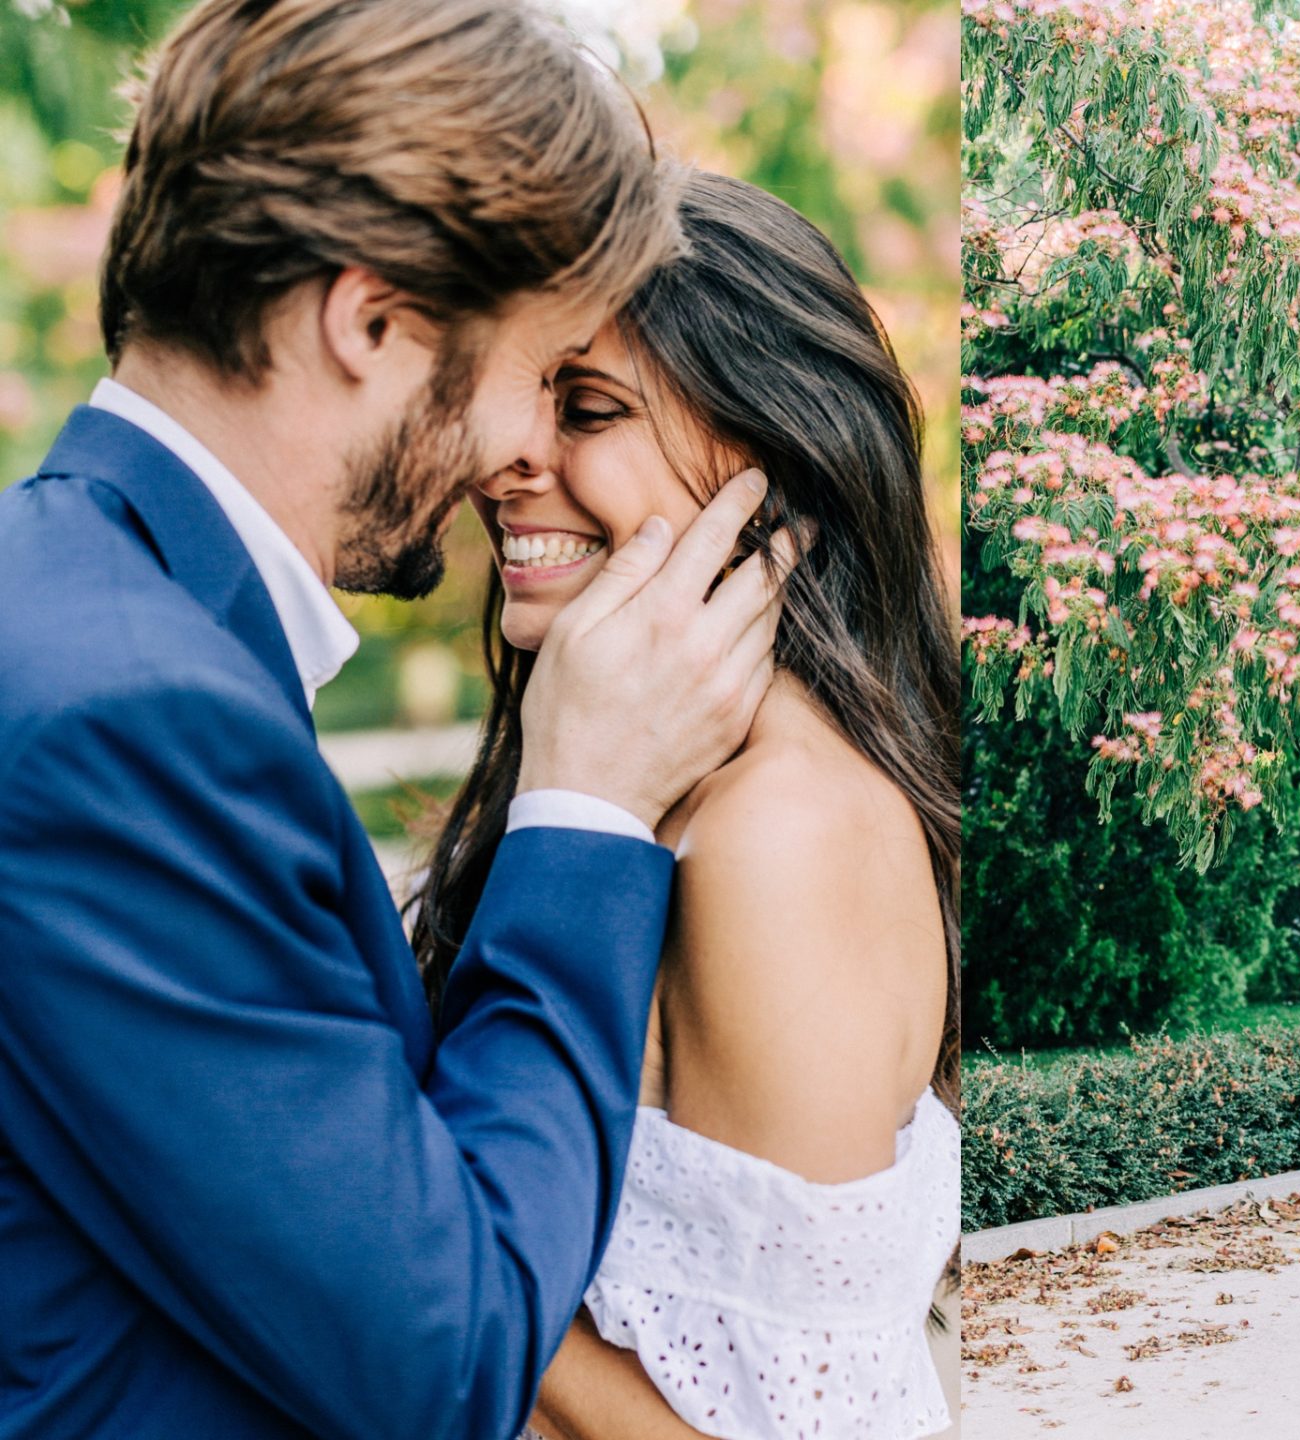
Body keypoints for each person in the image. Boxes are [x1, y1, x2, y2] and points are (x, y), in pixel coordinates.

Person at [0, 4, 791, 1436]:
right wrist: (589, 808)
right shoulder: (124, 716)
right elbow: (443, 1367)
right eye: (537, 375)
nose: (525, 454)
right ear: (371, 321)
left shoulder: (102, 615)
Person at [409, 169, 960, 1440]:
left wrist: (383, 1213)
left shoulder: (778, 832)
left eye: (588, 409)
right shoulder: (658, 782)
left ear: (771, 449)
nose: (508, 464)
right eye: (523, 404)